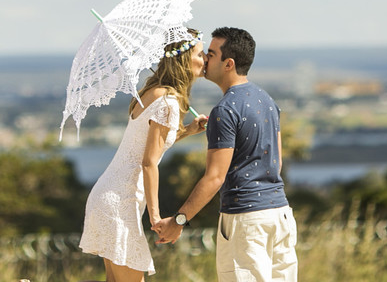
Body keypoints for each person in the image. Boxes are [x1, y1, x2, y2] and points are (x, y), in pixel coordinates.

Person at [153, 26, 297, 282]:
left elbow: (214, 178)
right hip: (281, 215)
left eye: (210, 54)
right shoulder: (267, 100)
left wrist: (178, 221)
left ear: (228, 63)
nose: (205, 59)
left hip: (246, 221)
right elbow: (277, 162)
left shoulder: (225, 110)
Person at [78, 29, 209, 281]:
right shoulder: (169, 101)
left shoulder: (153, 92)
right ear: (183, 59)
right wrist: (156, 216)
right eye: (199, 53)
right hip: (121, 202)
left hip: (108, 196)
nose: (204, 59)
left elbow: (147, 145)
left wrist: (188, 130)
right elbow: (149, 162)